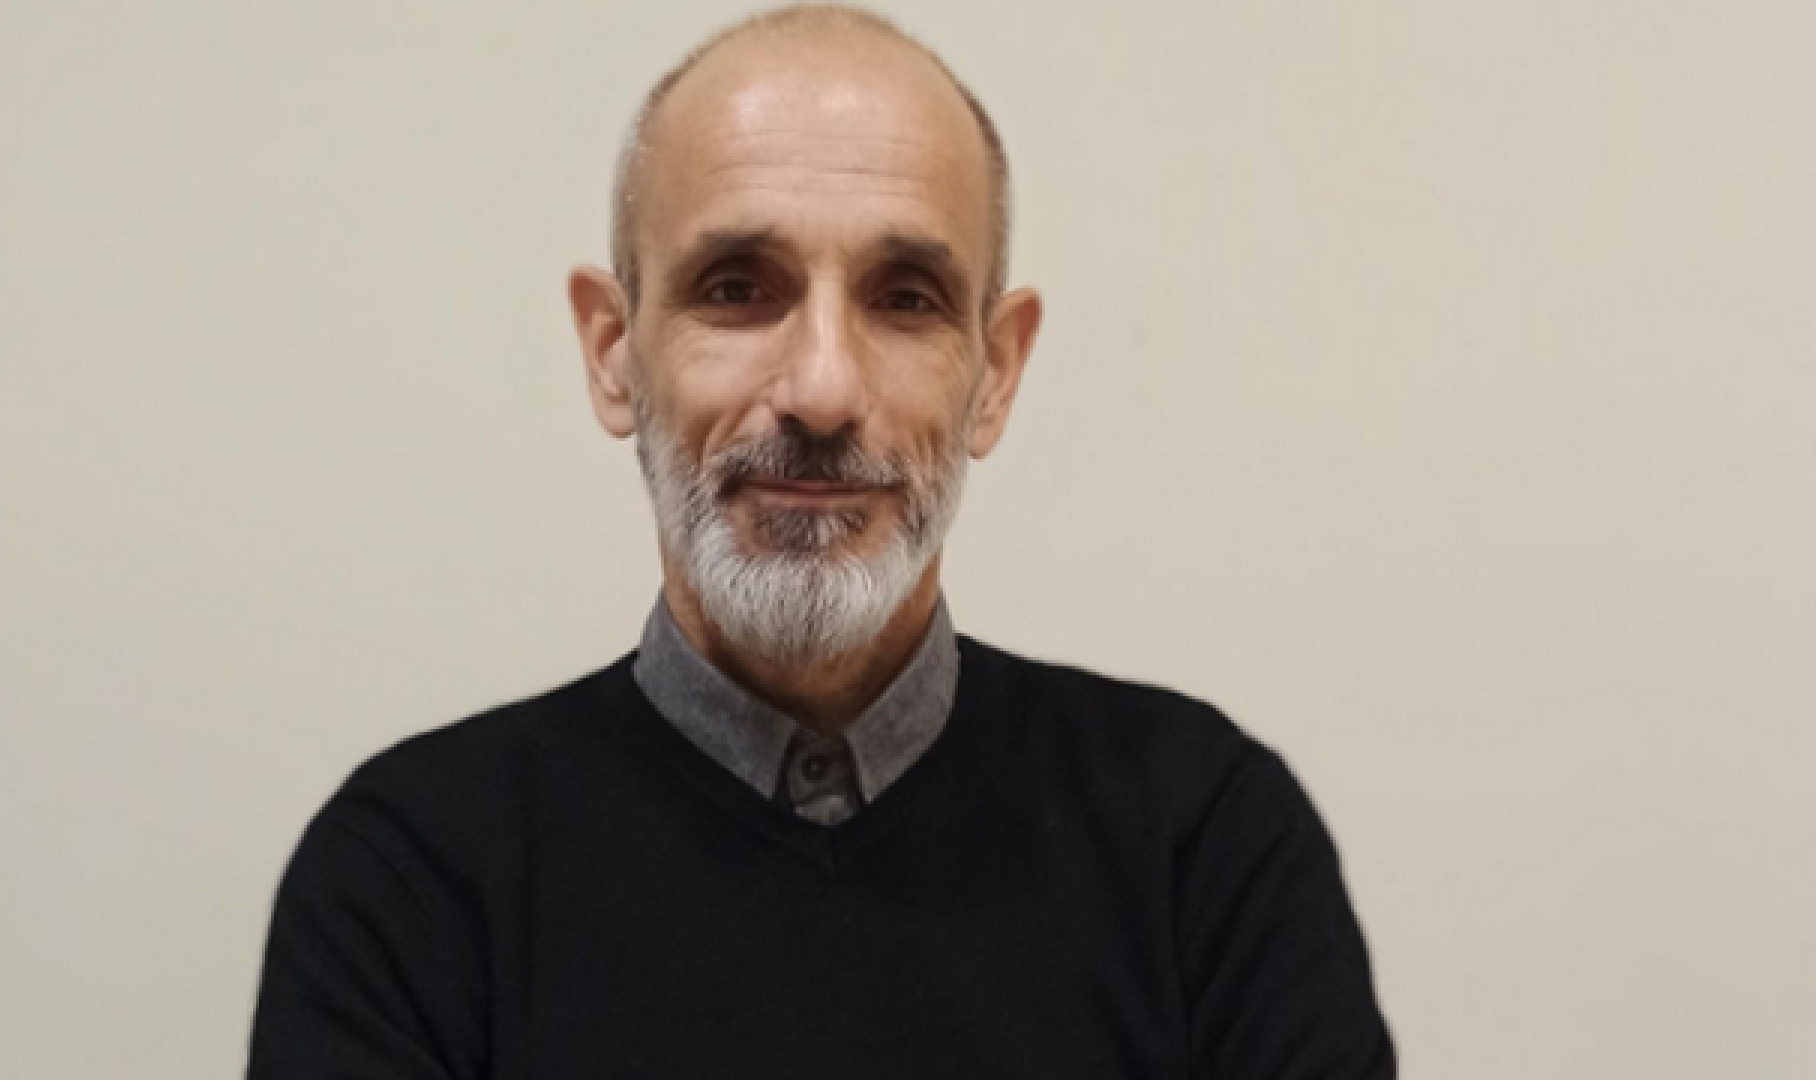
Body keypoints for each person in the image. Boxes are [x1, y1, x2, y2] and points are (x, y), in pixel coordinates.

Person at [245, 5, 1396, 1077]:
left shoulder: (1202, 848)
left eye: (906, 298)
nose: (823, 391)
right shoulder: (411, 883)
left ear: (995, 374)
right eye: (736, 288)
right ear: (613, 353)